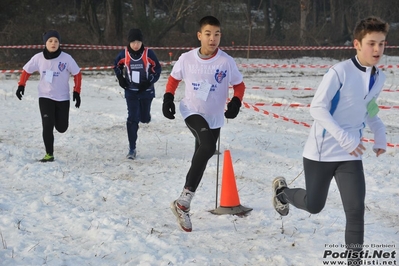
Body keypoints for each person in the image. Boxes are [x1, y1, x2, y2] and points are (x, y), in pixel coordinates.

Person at [272, 16, 389, 265]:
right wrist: (345, 137)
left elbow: (368, 108)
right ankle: (283, 193)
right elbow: (317, 109)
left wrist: (379, 133)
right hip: (321, 153)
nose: (377, 49)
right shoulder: (339, 72)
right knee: (314, 206)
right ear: (357, 44)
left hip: (350, 155)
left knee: (356, 210)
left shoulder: (379, 77)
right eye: (371, 43)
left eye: (381, 43)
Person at [162, 16, 246, 232]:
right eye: (208, 34)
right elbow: (173, 79)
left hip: (215, 117)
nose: (213, 38)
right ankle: (184, 202)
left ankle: (183, 203)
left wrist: (236, 102)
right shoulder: (187, 59)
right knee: (208, 147)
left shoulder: (226, 61)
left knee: (200, 156)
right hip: (192, 111)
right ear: (199, 36)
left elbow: (239, 85)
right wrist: (168, 98)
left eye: (217, 34)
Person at [16, 30, 82, 162]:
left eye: (56, 41)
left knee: (62, 128)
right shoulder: (38, 58)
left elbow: (77, 73)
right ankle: (49, 154)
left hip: (63, 97)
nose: (53, 43)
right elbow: (26, 71)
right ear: (45, 43)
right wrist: (21, 85)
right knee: (47, 125)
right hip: (45, 96)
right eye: (50, 41)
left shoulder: (66, 58)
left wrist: (76, 91)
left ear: (59, 43)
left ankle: (59, 123)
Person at [114, 28, 161, 159]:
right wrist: (121, 78)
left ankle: (145, 116)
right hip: (131, 91)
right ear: (129, 42)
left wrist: (149, 82)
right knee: (132, 118)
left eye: (138, 42)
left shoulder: (148, 54)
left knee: (144, 118)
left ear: (142, 42)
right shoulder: (124, 54)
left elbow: (157, 69)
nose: (136, 45)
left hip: (146, 91)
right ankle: (132, 148)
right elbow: (116, 65)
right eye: (133, 42)